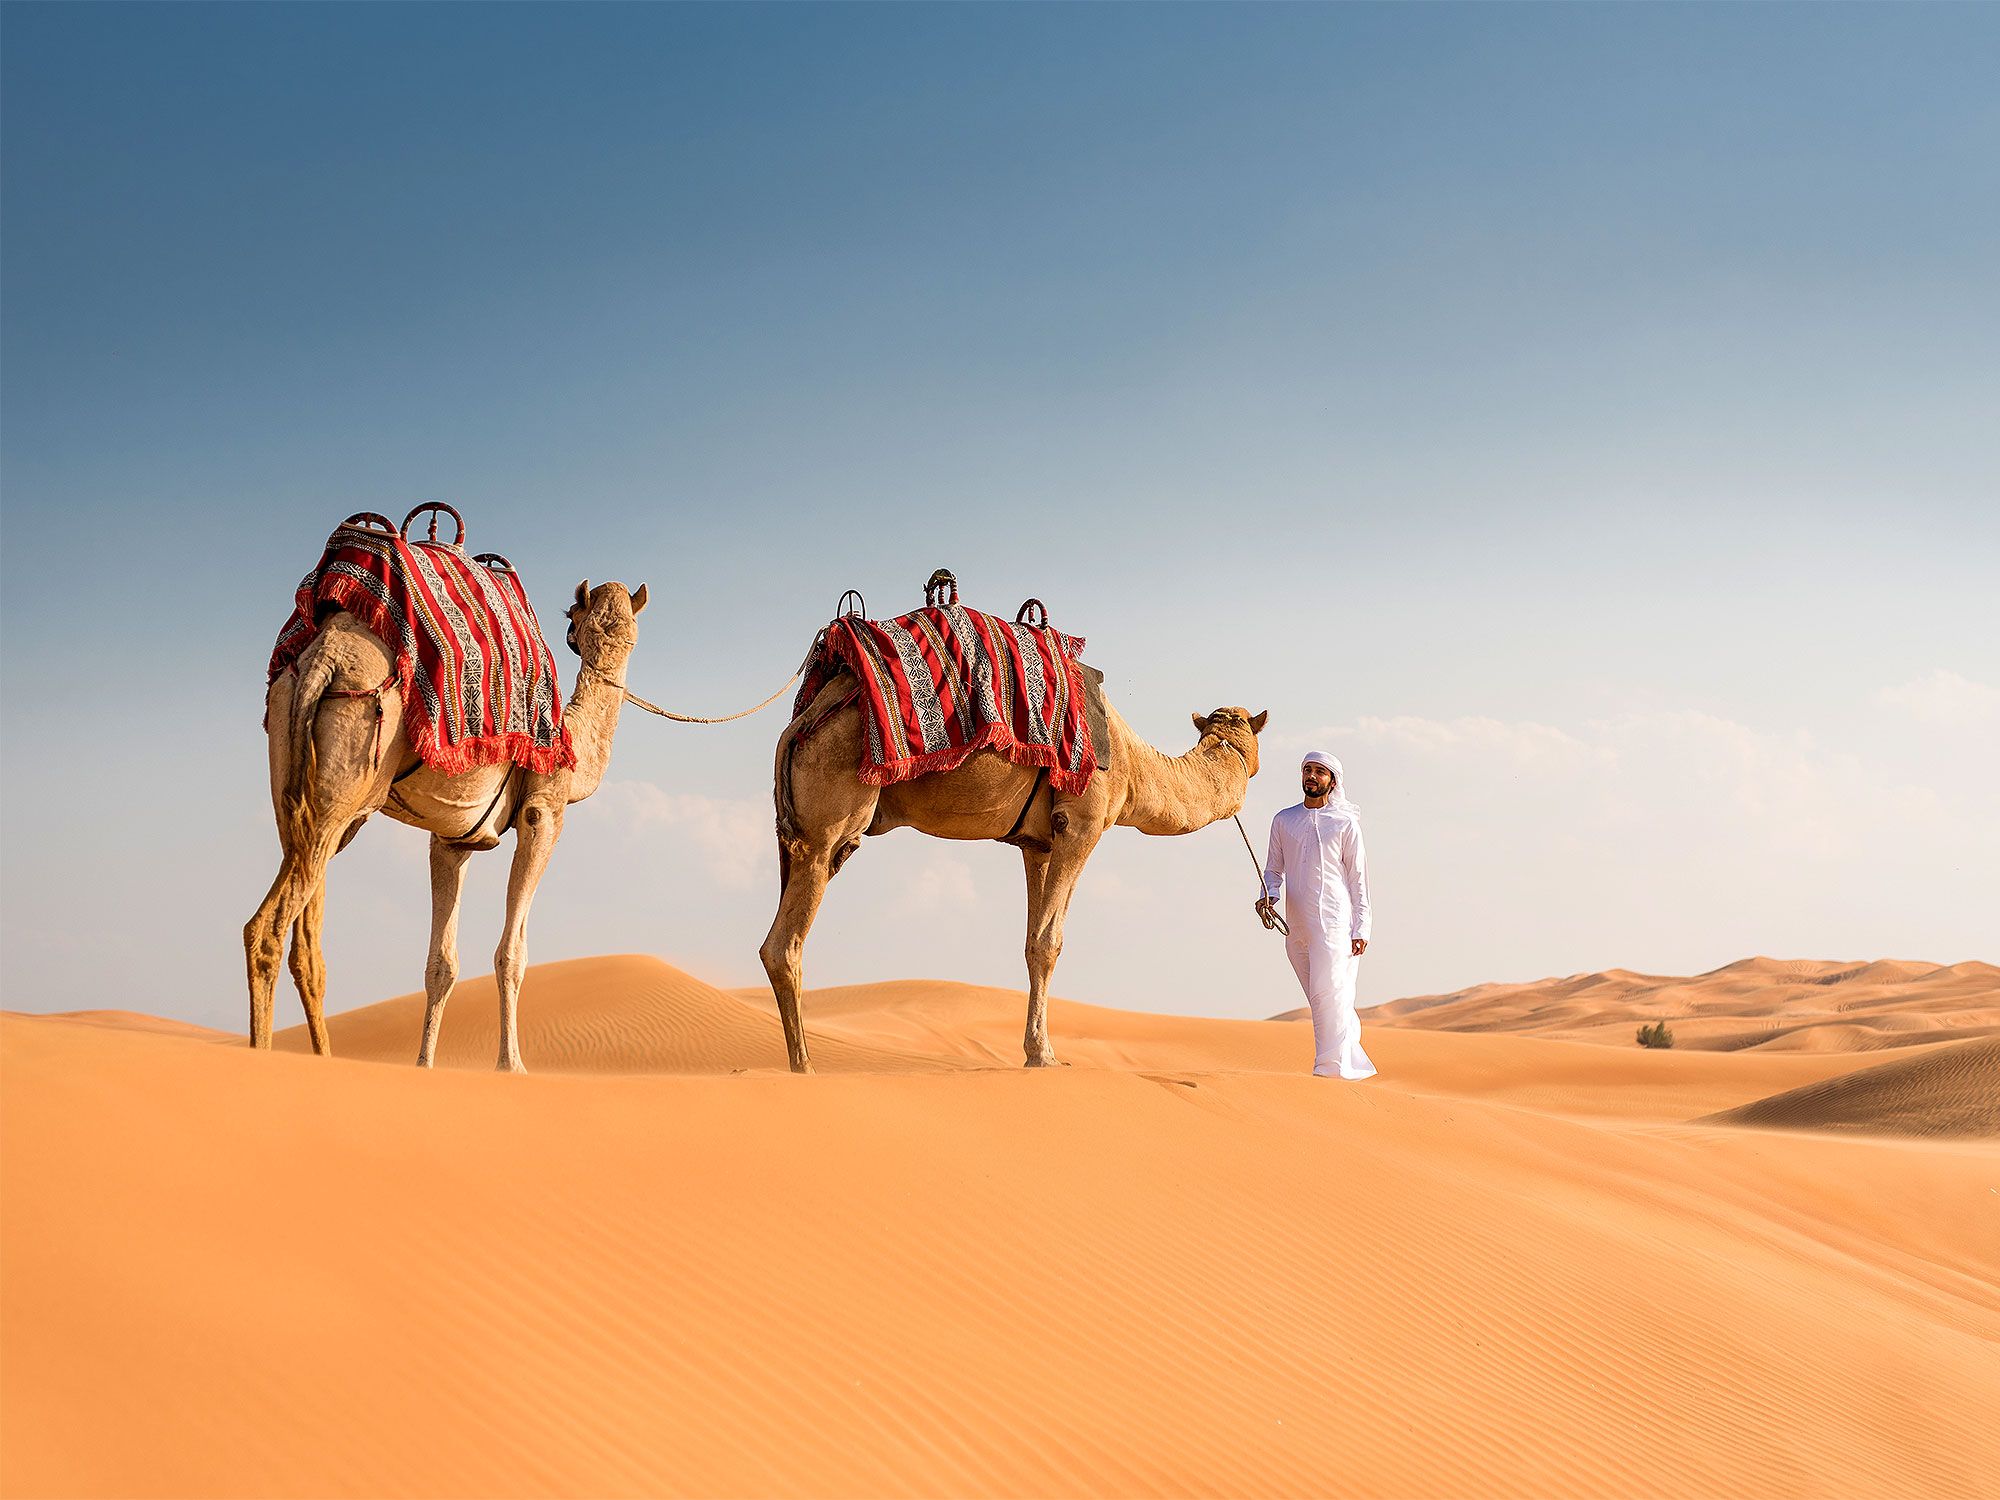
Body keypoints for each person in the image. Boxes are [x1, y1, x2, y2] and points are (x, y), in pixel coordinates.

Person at [1257, 751, 1376, 1079]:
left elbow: (1358, 878)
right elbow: (1273, 869)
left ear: (1332, 781)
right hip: (1296, 926)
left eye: (1319, 772)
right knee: (1322, 998)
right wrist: (1268, 896)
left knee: (1329, 993)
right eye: (1307, 770)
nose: (1311, 776)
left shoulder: (1345, 823)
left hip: (1336, 921)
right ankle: (1348, 1062)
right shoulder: (1284, 820)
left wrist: (1361, 927)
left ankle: (1329, 1072)